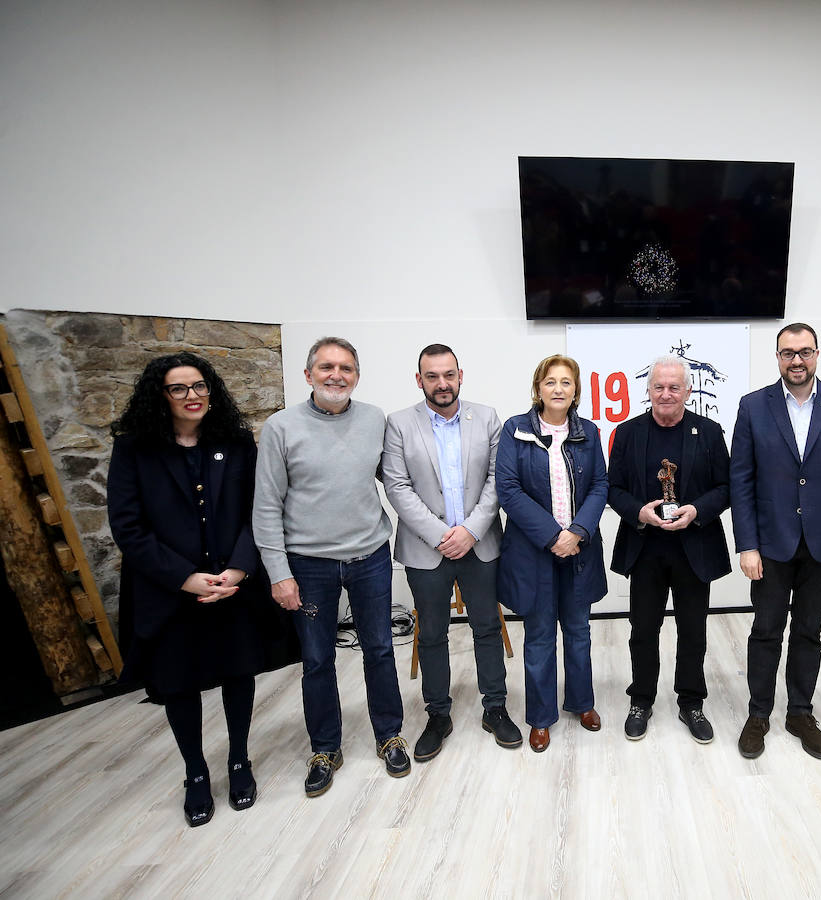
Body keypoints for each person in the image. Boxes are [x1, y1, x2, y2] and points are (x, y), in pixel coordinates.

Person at [107, 352, 288, 826]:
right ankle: (195, 773)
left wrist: (240, 569)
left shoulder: (235, 441)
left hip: (232, 585)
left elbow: (259, 510)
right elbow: (128, 528)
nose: (192, 396)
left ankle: (239, 761)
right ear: (160, 395)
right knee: (178, 683)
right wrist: (184, 578)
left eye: (200, 386)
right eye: (179, 388)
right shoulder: (135, 449)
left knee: (237, 674)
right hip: (169, 590)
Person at [253, 337, 410, 796]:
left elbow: (395, 477)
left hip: (369, 556)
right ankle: (325, 747)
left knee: (379, 648)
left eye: (345, 368)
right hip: (309, 565)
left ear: (356, 376)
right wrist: (278, 572)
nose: (336, 375)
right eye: (326, 367)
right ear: (308, 375)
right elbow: (266, 506)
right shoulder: (281, 427)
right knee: (318, 659)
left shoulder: (374, 419)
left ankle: (389, 735)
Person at [729, 323, 821, 760]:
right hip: (771, 545)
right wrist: (747, 544)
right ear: (777, 357)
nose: (796, 360)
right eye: (788, 352)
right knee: (766, 631)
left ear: (817, 355)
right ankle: (758, 714)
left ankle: (800, 713)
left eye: (804, 352)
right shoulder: (753, 406)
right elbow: (742, 480)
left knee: (809, 632)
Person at [382, 343, 522, 760]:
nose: (441, 384)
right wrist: (444, 534)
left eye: (448, 375)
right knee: (431, 634)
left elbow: (499, 479)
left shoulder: (488, 418)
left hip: (480, 546)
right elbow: (397, 486)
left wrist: (471, 532)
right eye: (432, 376)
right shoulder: (398, 424)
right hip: (427, 550)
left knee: (486, 628)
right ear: (419, 379)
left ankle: (494, 708)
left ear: (461, 375)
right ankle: (437, 714)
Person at [607, 355, 732, 743]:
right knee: (643, 630)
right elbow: (612, 488)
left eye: (674, 387)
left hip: (693, 547)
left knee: (693, 632)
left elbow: (726, 488)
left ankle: (691, 702)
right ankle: (641, 699)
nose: (666, 393)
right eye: (658, 387)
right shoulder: (627, 433)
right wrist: (638, 512)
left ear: (688, 391)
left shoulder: (709, 432)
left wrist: (696, 510)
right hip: (645, 548)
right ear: (648, 391)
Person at [495, 354, 609, 752]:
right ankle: (541, 718)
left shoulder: (589, 432)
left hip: (578, 550)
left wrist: (577, 532)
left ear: (576, 390)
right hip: (535, 552)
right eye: (550, 382)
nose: (558, 389)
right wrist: (552, 536)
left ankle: (582, 703)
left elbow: (599, 485)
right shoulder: (515, 430)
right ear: (538, 388)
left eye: (566, 382)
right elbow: (508, 489)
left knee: (578, 631)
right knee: (540, 635)